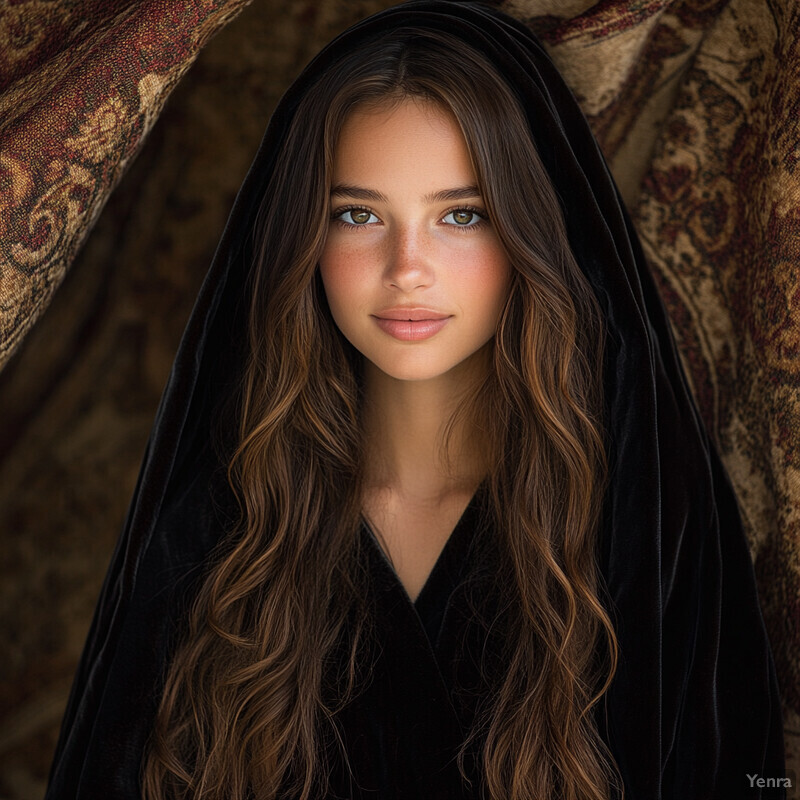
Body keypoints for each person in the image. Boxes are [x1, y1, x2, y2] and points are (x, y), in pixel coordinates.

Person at [45, 2, 785, 798]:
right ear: (300, 237)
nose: (407, 267)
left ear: (532, 232)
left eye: (460, 215)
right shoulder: (220, 522)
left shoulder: (642, 520)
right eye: (358, 215)